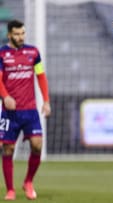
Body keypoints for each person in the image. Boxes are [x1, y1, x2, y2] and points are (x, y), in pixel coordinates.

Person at [0, 20, 51, 201]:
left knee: (37, 145)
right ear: (9, 35)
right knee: (8, 149)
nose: (21, 37)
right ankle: (10, 190)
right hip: (9, 112)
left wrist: (46, 101)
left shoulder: (33, 52)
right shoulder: (2, 54)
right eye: (17, 34)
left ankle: (28, 182)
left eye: (23, 33)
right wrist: (5, 96)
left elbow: (41, 76)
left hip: (30, 110)